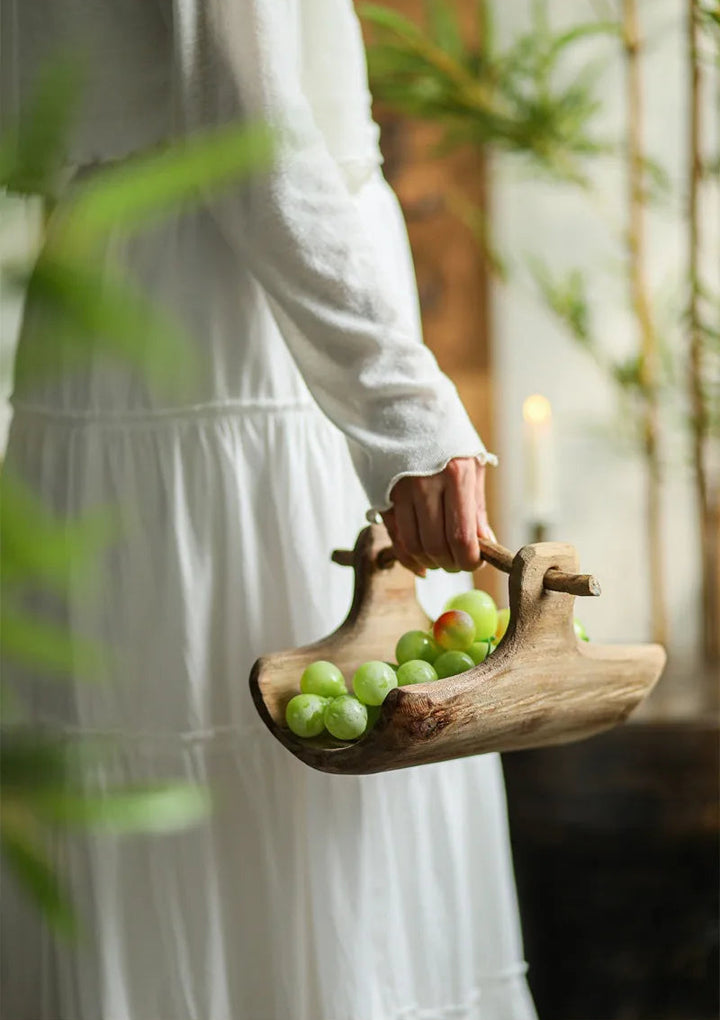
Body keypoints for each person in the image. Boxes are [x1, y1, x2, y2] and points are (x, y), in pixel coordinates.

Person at [0, 1, 538, 1017]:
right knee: (307, 765)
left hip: (114, 274)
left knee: (173, 752)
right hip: (243, 313)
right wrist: (408, 415)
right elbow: (246, 132)